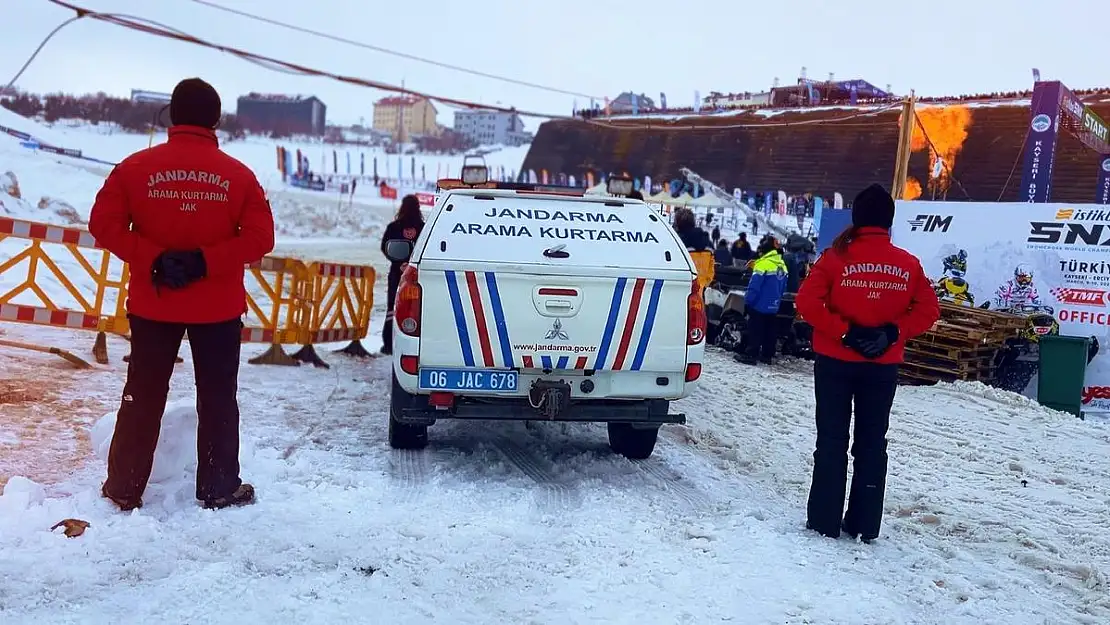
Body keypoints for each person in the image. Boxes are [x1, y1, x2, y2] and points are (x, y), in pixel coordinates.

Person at [88, 78, 275, 512]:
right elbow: (261, 237)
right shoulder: (239, 176)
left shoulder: (134, 168)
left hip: (155, 302)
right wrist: (204, 262)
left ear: (171, 116)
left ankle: (124, 487)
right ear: (216, 120)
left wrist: (153, 258)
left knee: (143, 393)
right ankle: (219, 486)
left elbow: (104, 224)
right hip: (218, 307)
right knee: (218, 396)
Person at [795, 183, 940, 543]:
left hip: (834, 362)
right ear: (889, 221)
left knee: (831, 440)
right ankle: (864, 524)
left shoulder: (834, 258)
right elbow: (929, 310)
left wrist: (844, 332)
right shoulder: (908, 264)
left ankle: (824, 520)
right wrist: (892, 333)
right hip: (882, 367)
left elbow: (806, 302)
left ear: (855, 218)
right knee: (872, 444)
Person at [380, 194, 425, 354]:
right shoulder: (424, 228)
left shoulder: (394, 227)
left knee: (393, 307)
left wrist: (399, 263)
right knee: (416, 309)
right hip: (418, 274)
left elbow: (385, 247)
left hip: (396, 272)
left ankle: (388, 344)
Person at [737, 235, 787, 365]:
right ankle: (767, 355)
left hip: (759, 304)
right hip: (774, 305)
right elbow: (783, 287)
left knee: (755, 329)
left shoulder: (762, 264)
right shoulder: (782, 266)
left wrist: (748, 301)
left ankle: (751, 355)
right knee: (770, 330)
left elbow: (754, 287)